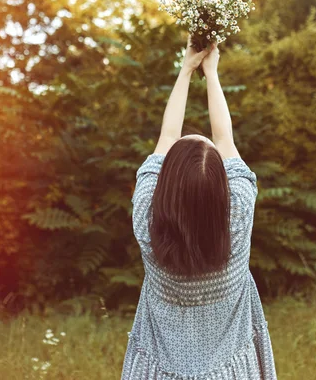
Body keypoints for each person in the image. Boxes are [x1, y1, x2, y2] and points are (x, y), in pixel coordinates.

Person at [121, 36, 277, 380]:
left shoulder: (148, 217)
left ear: (166, 183)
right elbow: (226, 141)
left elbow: (166, 138)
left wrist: (186, 69)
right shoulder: (237, 214)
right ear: (222, 187)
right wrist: (212, 71)